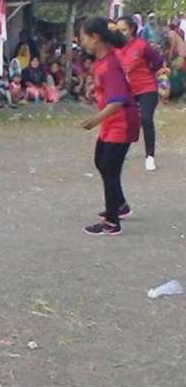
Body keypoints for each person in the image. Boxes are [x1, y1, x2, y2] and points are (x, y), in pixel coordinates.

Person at [78, 17, 139, 236]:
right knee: (101, 161)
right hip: (112, 120)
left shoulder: (110, 65)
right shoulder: (102, 61)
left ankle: (112, 223)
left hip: (121, 121)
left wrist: (95, 120)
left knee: (109, 167)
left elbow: (118, 100)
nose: (81, 41)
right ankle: (119, 205)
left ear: (95, 38)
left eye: (83, 37)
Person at [116, 15, 164, 172]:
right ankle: (122, 151)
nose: (121, 33)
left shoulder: (141, 45)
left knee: (146, 119)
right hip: (127, 90)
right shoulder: (114, 48)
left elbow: (157, 60)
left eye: (124, 29)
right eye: (118, 30)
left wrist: (150, 72)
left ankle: (150, 156)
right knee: (125, 121)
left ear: (131, 29)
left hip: (146, 88)